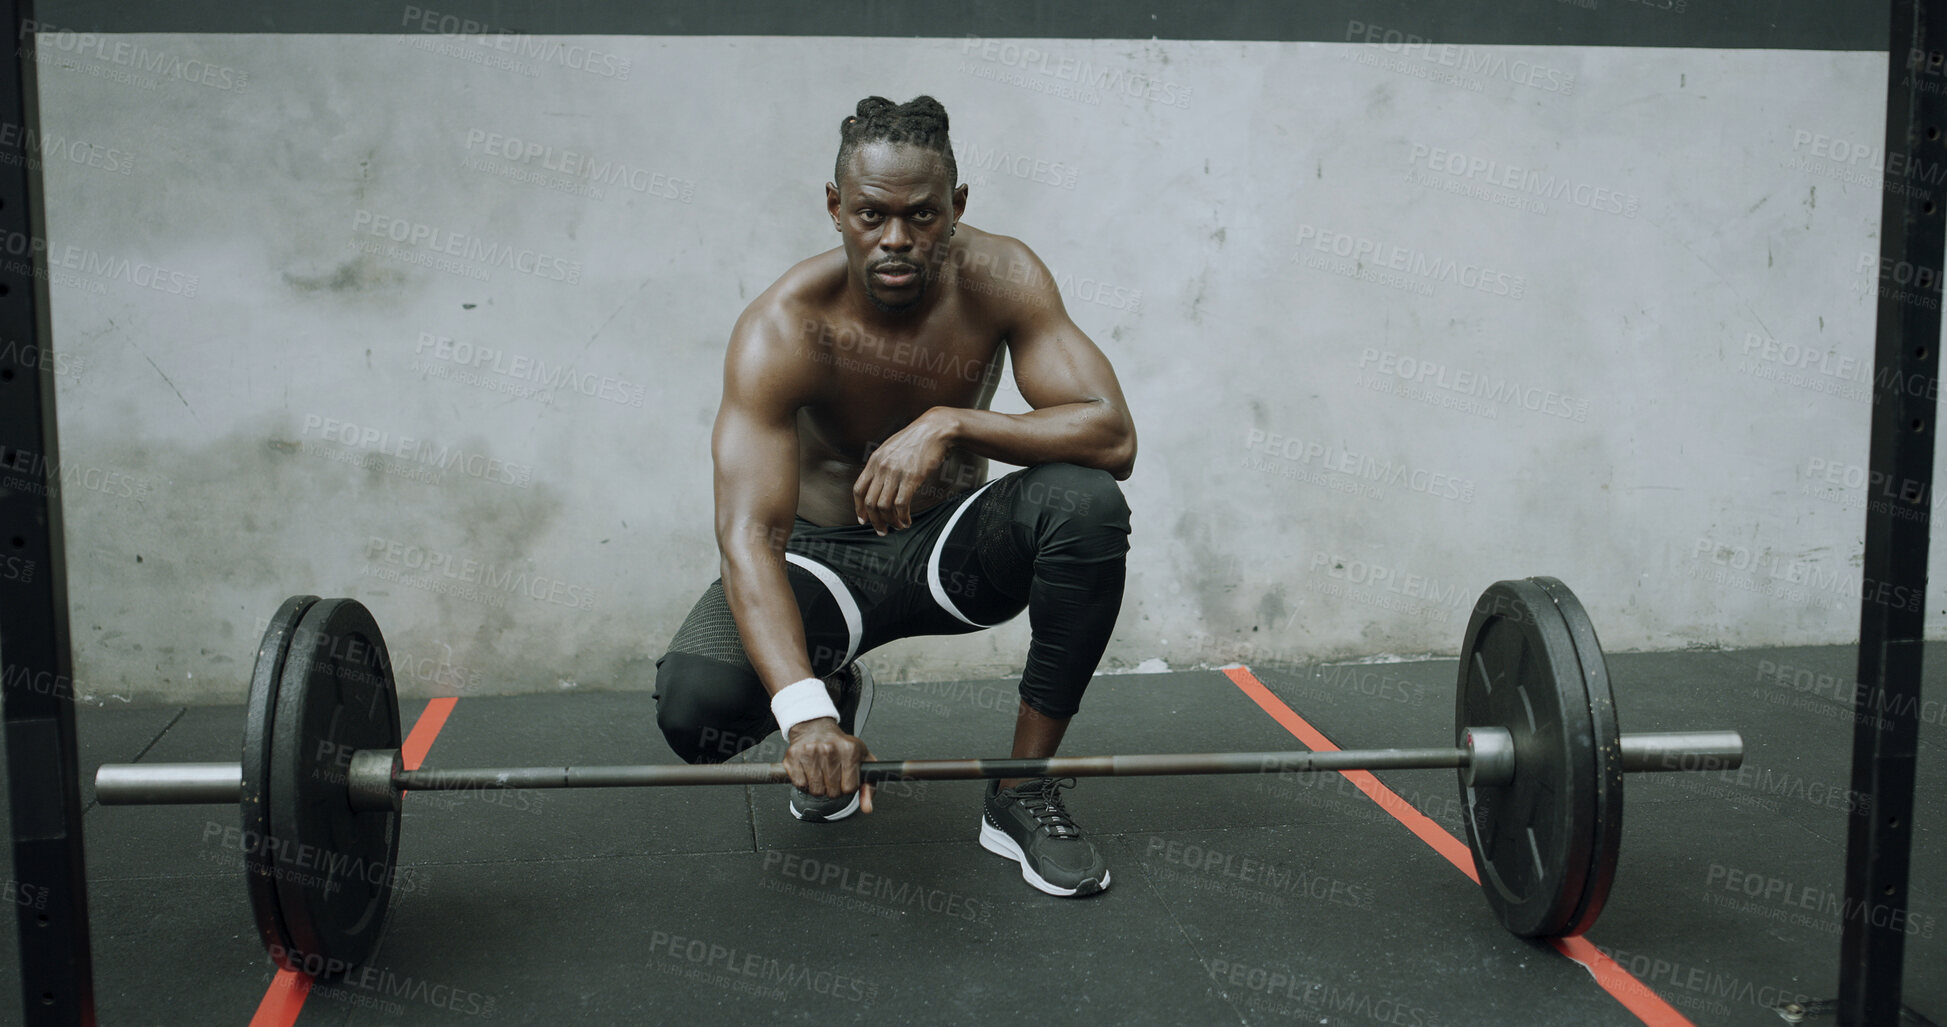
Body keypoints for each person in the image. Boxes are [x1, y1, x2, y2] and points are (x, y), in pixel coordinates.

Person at [653, 95, 1136, 897]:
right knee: (695, 705)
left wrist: (950, 423)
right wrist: (803, 714)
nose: (897, 240)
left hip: (951, 551)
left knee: (1085, 504)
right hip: (818, 564)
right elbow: (748, 534)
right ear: (836, 208)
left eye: (922, 215)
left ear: (957, 208)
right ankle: (832, 686)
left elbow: (1110, 437)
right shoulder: (783, 326)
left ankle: (1020, 790)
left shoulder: (1002, 276)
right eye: (872, 214)